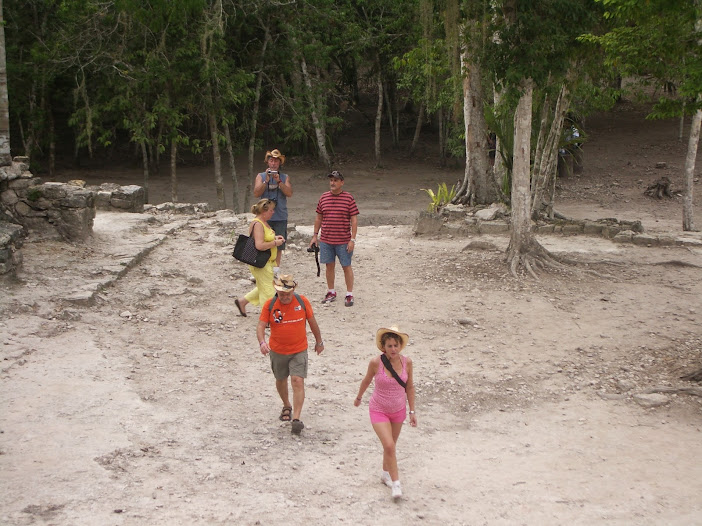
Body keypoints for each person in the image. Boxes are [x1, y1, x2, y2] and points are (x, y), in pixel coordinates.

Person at [354, 326, 416, 499]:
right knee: (388, 445)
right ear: (383, 347)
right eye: (389, 346)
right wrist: (359, 397)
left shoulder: (407, 362)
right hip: (378, 409)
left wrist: (412, 411)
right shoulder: (376, 363)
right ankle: (396, 484)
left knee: (391, 446)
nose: (393, 349)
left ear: (400, 346)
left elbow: (410, 387)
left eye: (396, 345)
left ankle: (385, 474)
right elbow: (366, 380)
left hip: (398, 410)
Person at [258, 274, 324, 435]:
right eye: (282, 294)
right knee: (280, 379)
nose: (285, 297)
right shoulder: (270, 304)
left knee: (297, 380)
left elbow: (312, 321)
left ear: (293, 290)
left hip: (299, 349)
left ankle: (296, 418)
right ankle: (286, 404)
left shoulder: (302, 302)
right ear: (277, 291)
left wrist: (319, 341)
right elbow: (260, 326)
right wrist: (262, 342)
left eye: (288, 294)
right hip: (277, 350)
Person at [308, 170, 359, 307]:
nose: (332, 183)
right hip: (326, 240)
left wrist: (352, 239)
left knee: (346, 266)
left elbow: (354, 220)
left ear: (342, 182)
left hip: (343, 240)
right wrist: (315, 236)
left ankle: (349, 294)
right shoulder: (323, 197)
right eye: (331, 180)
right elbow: (319, 217)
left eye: (336, 180)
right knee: (329, 266)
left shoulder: (349, 198)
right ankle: (331, 291)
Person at [235, 199, 285, 317]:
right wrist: (275, 244)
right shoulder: (258, 224)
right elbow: (259, 245)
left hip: (268, 262)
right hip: (261, 262)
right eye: (271, 210)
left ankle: (242, 302)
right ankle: (267, 317)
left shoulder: (264, 222)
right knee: (268, 291)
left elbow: (265, 238)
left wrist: (275, 238)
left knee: (265, 285)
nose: (273, 212)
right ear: (264, 211)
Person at [253, 149, 292, 275]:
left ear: (279, 163)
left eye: (276, 161)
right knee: (261, 242)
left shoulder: (285, 177)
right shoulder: (261, 176)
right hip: (264, 215)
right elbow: (256, 193)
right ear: (267, 162)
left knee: (279, 244)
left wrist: (279, 181)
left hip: (280, 214)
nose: (273, 163)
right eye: (271, 160)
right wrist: (267, 181)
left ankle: (275, 269)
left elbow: (289, 193)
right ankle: (260, 266)